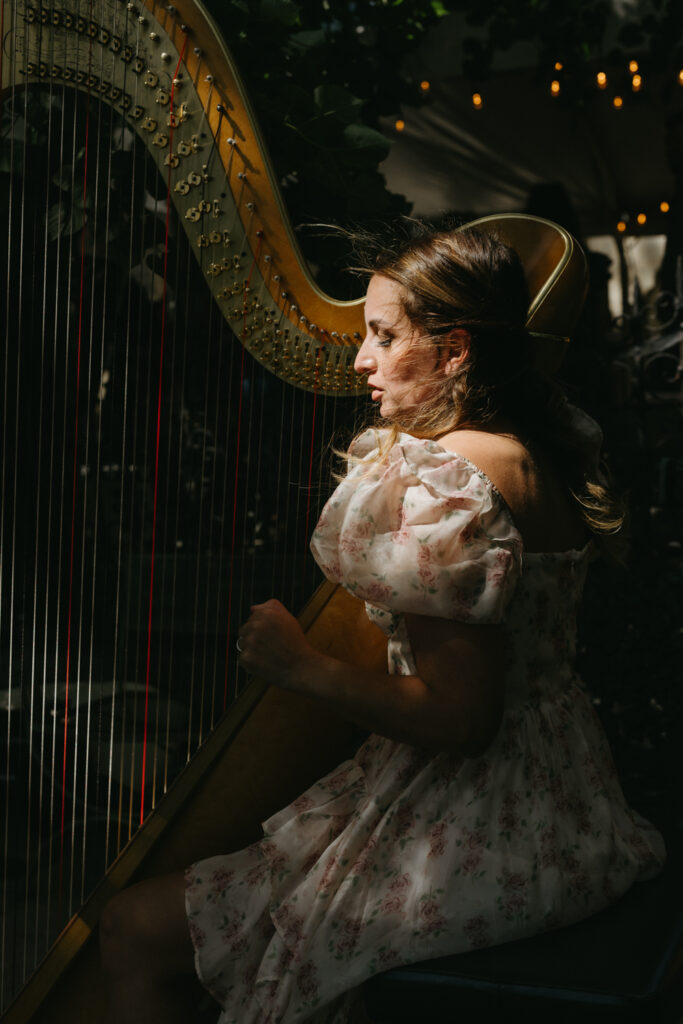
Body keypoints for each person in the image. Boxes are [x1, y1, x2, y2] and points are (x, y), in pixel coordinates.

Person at [100, 224, 666, 1024]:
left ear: (455, 351)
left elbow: (461, 720)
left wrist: (299, 666)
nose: (360, 361)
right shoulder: (529, 449)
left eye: (382, 335)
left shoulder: (447, 478)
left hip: (470, 815)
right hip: (564, 793)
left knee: (129, 929)